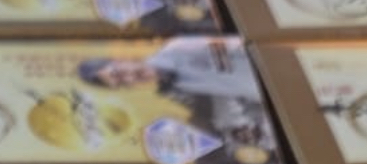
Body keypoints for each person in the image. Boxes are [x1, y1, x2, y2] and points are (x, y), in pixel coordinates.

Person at [75, 38, 263, 103]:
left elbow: (246, 42)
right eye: (123, 83)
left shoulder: (179, 47)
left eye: (119, 73)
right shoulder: (181, 87)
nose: (131, 79)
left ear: (121, 60)